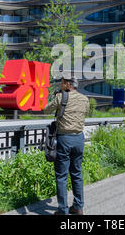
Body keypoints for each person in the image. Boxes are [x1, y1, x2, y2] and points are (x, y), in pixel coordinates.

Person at [44, 75, 90, 215]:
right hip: (79, 139)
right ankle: (78, 207)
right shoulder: (85, 99)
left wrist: (58, 97)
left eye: (62, 83)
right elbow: (85, 113)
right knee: (77, 173)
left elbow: (46, 110)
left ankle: (62, 209)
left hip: (64, 138)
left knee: (61, 176)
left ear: (68, 84)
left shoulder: (61, 97)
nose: (61, 85)